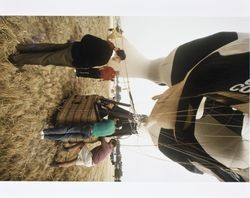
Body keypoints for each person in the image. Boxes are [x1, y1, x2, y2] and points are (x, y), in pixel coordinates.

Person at [8, 34, 126, 68]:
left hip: (73, 46)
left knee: (48, 47)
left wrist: (81, 45)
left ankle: (22, 48)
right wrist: (75, 64)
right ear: (118, 57)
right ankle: (17, 58)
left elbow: (86, 37)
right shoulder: (104, 60)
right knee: (45, 58)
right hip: (72, 58)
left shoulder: (106, 44)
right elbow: (87, 64)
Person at [50, 137, 117, 167]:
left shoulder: (107, 148)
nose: (108, 142)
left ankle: (66, 149)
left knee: (81, 143)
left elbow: (102, 137)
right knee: (72, 162)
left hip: (90, 159)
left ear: (112, 144)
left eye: (110, 141)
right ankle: (54, 164)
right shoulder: (109, 150)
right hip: (90, 163)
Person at [41, 118, 122, 141]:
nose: (116, 118)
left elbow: (102, 120)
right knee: (67, 136)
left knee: (68, 129)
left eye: (117, 119)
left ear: (117, 121)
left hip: (89, 128)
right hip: (89, 136)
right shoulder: (112, 132)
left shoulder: (111, 122)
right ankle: (45, 137)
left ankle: (45, 132)